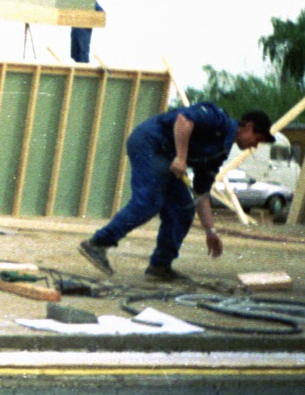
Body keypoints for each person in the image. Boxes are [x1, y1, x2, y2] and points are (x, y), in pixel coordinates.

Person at [79, 104, 275, 282]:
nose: (255, 146)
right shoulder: (217, 118)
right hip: (150, 142)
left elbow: (201, 194)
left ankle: (160, 266)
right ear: (248, 127)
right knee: (149, 201)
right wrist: (181, 158)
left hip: (168, 157)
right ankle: (97, 243)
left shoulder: (218, 154)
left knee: (183, 209)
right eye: (257, 139)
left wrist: (210, 231)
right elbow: (184, 120)